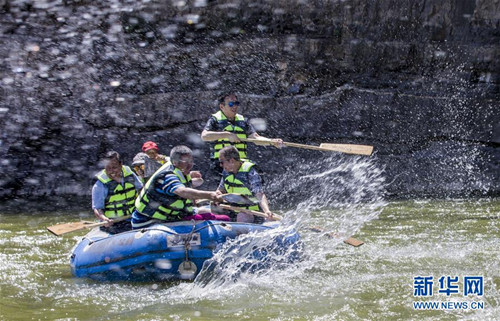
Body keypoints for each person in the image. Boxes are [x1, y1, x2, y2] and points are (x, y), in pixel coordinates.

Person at [131, 145, 228, 229]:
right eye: (185, 161)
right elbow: (182, 191)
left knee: (220, 214)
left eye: (191, 161)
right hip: (148, 221)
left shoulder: (179, 170)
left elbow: (194, 183)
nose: (190, 165)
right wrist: (211, 195)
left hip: (171, 216)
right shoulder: (167, 175)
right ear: (175, 162)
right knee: (222, 219)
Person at [200, 93, 283, 175]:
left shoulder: (243, 121)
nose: (234, 106)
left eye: (236, 103)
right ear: (222, 106)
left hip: (240, 163)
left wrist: (271, 141)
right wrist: (226, 135)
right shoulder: (214, 120)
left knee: (257, 174)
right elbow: (204, 136)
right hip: (221, 164)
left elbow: (256, 138)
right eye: (231, 104)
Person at [216, 145, 274, 223]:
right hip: (232, 211)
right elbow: (220, 190)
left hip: (252, 213)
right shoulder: (226, 172)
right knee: (204, 210)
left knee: (242, 216)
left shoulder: (250, 172)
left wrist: (267, 211)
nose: (220, 165)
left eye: (222, 162)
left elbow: (260, 195)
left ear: (232, 160)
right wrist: (217, 196)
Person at [92, 151, 143, 233]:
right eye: (108, 168)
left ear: (121, 164)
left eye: (114, 167)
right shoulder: (100, 185)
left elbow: (142, 191)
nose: (111, 171)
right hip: (114, 224)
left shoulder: (129, 174)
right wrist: (105, 219)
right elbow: (97, 209)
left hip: (132, 217)